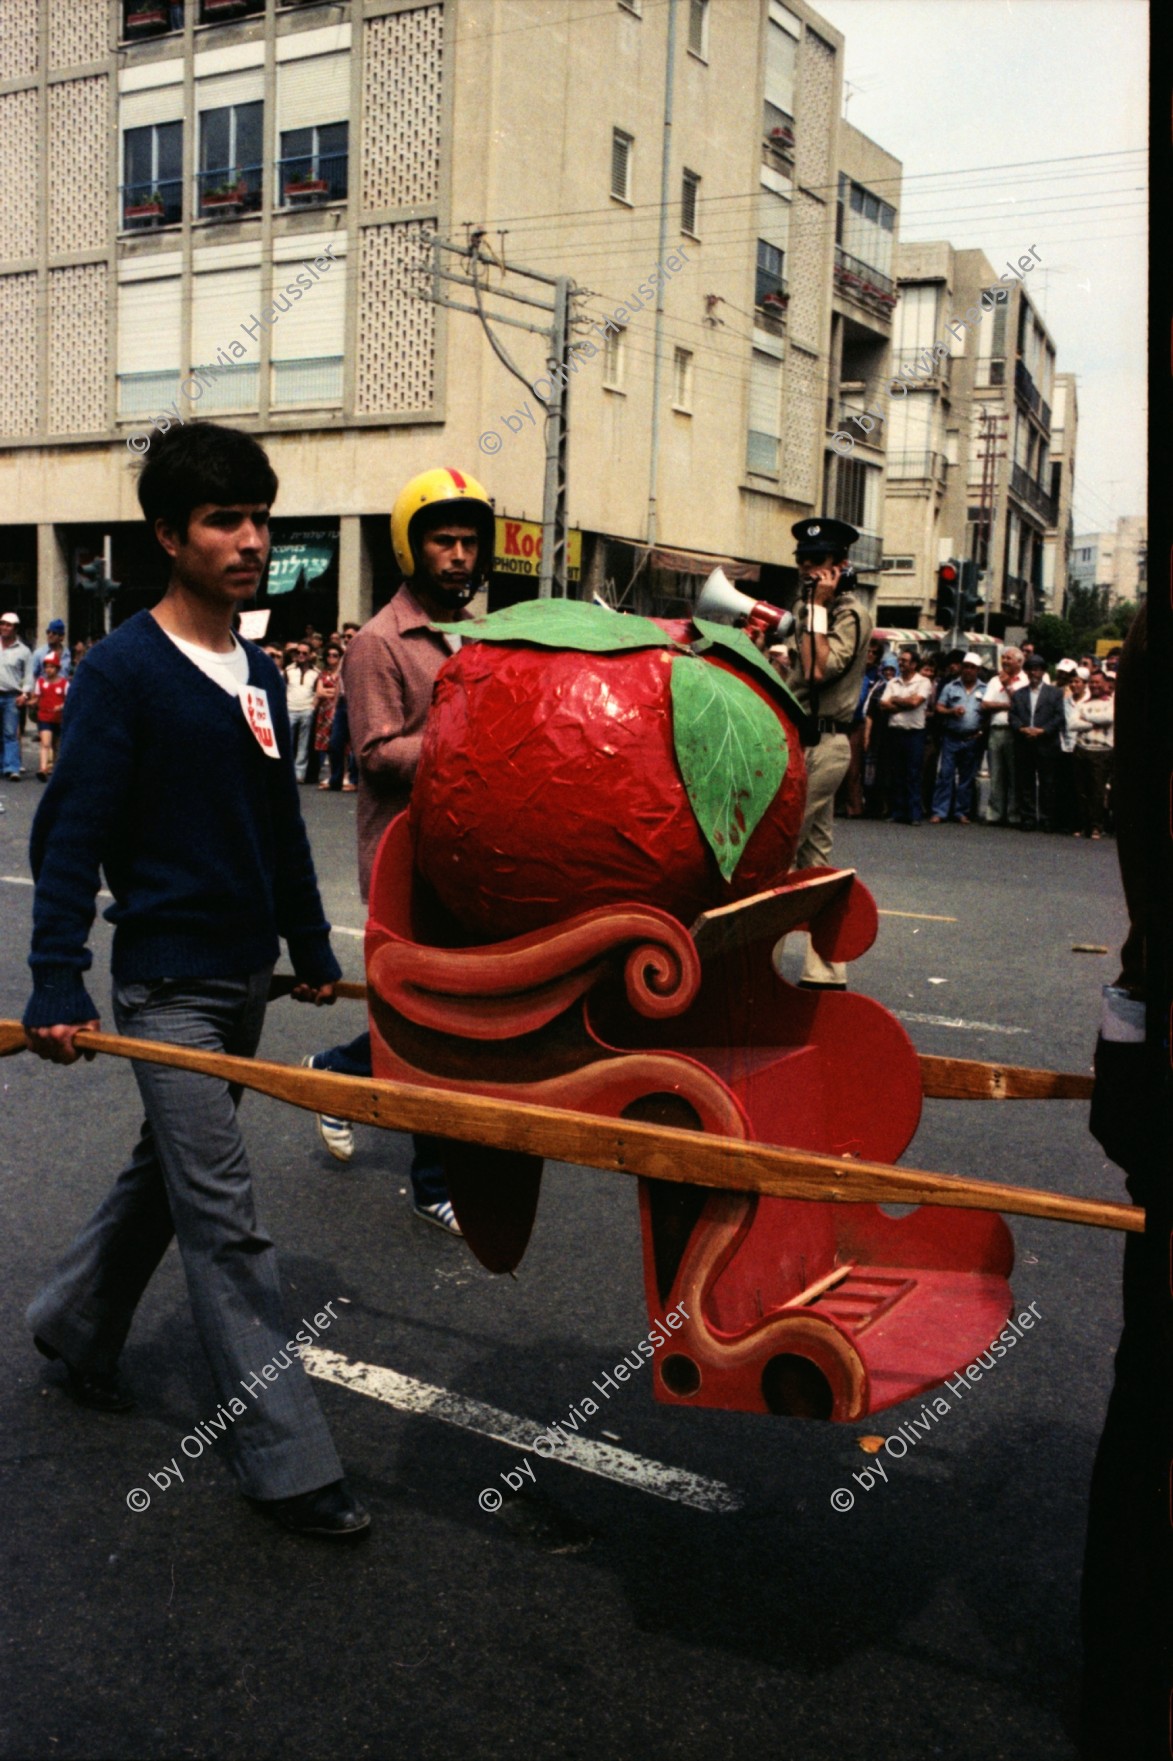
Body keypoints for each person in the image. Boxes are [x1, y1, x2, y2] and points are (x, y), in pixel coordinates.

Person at [22, 421, 368, 1539]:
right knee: (226, 1220)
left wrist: (311, 952)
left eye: (261, 519)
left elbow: (277, 830)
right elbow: (69, 840)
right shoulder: (123, 673)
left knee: (168, 1178)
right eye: (225, 520)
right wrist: (54, 981)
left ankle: (76, 1325)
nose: (251, 540)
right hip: (164, 983)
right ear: (169, 536)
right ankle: (288, 1461)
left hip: (242, 982)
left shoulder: (260, 671)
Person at [304, 467, 498, 1228]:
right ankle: (432, 1181)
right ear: (411, 549)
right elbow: (377, 752)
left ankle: (336, 1071)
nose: (457, 554)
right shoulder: (381, 641)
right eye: (442, 541)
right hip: (406, 861)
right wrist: (471, 739)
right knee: (433, 1023)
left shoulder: (473, 630)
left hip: (468, 856)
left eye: (467, 542)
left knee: (442, 1018)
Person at [783, 516, 873, 990]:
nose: (806, 570)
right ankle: (826, 969)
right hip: (804, 738)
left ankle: (756, 958)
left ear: (840, 565)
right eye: (801, 561)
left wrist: (816, 608)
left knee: (778, 844)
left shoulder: (847, 613)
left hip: (825, 742)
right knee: (815, 860)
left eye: (817, 562)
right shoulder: (809, 608)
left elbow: (819, 671)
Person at [929, 650, 986, 824]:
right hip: (951, 737)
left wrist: (981, 730)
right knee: (945, 775)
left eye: (973, 668)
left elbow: (988, 713)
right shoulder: (951, 686)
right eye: (966, 667)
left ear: (978, 670)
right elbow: (939, 707)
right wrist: (951, 711)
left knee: (966, 778)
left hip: (972, 738)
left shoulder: (985, 688)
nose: (968, 670)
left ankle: (961, 811)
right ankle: (940, 811)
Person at [1009, 653, 1065, 830]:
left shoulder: (1054, 693)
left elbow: (1059, 717)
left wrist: (1043, 730)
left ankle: (1047, 818)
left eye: (1038, 670)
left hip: (1046, 743)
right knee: (1026, 782)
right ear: (1026, 672)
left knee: (1047, 782)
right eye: (1031, 669)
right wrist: (1022, 728)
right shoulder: (1019, 694)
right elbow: (1012, 716)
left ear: (1043, 672)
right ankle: (1029, 818)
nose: (1034, 673)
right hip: (1025, 741)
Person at [877, 646, 931, 824]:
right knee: (897, 772)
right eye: (900, 660)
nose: (901, 663)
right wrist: (904, 703)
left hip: (914, 733)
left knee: (913, 774)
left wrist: (896, 700)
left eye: (905, 661)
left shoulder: (923, 682)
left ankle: (914, 814)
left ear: (914, 664)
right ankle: (898, 811)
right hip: (895, 731)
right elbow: (883, 704)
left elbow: (916, 702)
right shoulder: (893, 683)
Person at [837, 636, 885, 818]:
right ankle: (839, 805)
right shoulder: (852, 671)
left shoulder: (877, 678)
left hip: (860, 722)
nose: (870, 655)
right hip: (842, 721)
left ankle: (855, 807)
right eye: (868, 652)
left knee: (854, 768)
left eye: (874, 653)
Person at [979, 645, 1027, 825]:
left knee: (1014, 774)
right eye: (1003, 658)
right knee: (996, 773)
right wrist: (1006, 706)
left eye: (1009, 658)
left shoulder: (1024, 680)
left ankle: (1013, 814)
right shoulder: (993, 680)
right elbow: (985, 704)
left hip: (1013, 732)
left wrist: (1007, 685)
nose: (1004, 661)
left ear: (1019, 662)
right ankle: (995, 813)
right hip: (996, 729)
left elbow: (1020, 704)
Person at [1070, 668, 1114, 839]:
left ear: (1104, 684)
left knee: (1097, 790)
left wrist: (1086, 718)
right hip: (1082, 748)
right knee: (1080, 789)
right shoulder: (1082, 703)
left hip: (1102, 751)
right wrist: (1091, 724)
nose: (1095, 686)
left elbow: (1109, 718)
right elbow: (1073, 724)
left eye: (1098, 682)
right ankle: (1081, 825)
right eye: (1092, 682)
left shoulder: (1111, 702)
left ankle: (1096, 826)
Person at [1, 611, 33, 780]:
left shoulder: (24, 651)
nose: (4, 627)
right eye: (3, 623)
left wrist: (25, 694)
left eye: (8, 625)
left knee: (10, 733)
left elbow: (28, 675)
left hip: (11, 696)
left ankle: (12, 767)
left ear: (15, 628)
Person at [284, 640, 319, 782]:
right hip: (290, 709)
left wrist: (312, 708)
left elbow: (317, 692)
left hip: (306, 709)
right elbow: (283, 689)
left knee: (303, 744)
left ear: (311, 655)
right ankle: (286, 773)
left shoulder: (316, 672)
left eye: (305, 653)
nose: (301, 655)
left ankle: (299, 774)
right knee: (287, 743)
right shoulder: (289, 670)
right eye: (298, 652)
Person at [32, 651, 68, 780]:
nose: (49, 669)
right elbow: (36, 698)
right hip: (44, 717)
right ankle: (43, 769)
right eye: (46, 667)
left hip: (59, 718)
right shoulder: (40, 682)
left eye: (51, 666)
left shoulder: (64, 683)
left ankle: (57, 769)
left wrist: (61, 706)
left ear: (57, 668)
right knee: (45, 743)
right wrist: (29, 702)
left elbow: (69, 700)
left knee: (56, 745)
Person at [313, 642, 343, 790]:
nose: (331, 658)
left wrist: (329, 691)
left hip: (337, 709)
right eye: (329, 655)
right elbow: (319, 692)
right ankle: (331, 774)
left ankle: (341, 775)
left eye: (335, 655)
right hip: (325, 711)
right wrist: (332, 692)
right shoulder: (323, 673)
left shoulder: (342, 673)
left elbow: (339, 692)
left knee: (338, 745)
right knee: (326, 745)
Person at [31, 617, 71, 682]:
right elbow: (32, 675)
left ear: (61, 637)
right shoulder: (39, 653)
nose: (50, 635)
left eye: (54, 633)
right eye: (48, 632)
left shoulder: (67, 654)